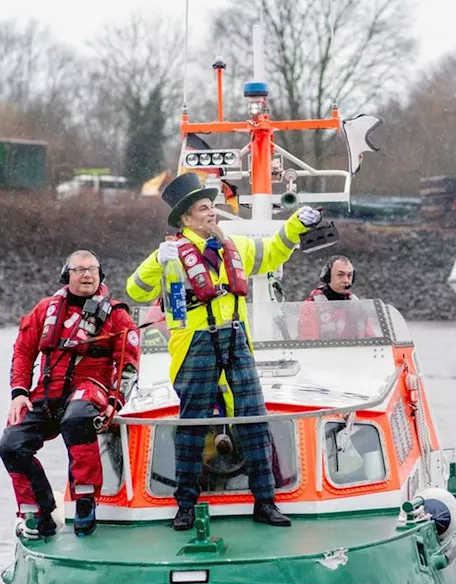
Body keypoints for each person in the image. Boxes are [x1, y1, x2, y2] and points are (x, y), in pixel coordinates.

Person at [126, 171, 321, 531]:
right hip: (193, 345)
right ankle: (185, 506)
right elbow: (135, 291)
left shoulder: (238, 246)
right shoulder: (168, 255)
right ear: (185, 218)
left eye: (212, 206)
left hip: (236, 339)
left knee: (254, 418)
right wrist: (156, 261)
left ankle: (265, 502)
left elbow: (273, 252)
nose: (212, 213)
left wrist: (294, 226)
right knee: (191, 427)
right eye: (204, 208)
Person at [0, 251, 141, 539]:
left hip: (91, 390)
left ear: (101, 275)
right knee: (10, 444)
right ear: (67, 275)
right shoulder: (44, 310)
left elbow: (129, 365)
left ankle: (85, 499)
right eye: (79, 269)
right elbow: (23, 352)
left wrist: (116, 402)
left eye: (92, 270)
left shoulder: (117, 316)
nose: (87, 275)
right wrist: (19, 393)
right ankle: (39, 513)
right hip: (47, 394)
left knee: (76, 418)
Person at [298, 255, 377, 340]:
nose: (346, 280)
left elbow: (371, 338)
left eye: (349, 275)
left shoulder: (357, 306)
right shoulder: (312, 306)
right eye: (340, 275)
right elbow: (308, 344)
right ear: (327, 277)